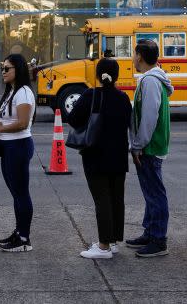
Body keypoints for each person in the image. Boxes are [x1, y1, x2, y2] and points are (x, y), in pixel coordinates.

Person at [66, 58, 131, 259]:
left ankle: (102, 247)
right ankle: (112, 242)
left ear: (98, 75)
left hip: (95, 155)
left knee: (101, 198)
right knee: (116, 198)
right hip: (119, 156)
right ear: (117, 76)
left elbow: (74, 119)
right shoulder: (123, 98)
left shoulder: (90, 95)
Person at [126, 39, 174, 258]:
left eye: (134, 54)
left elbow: (148, 117)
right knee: (151, 192)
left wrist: (138, 145)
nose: (132, 59)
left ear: (140, 56)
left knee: (155, 193)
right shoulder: (151, 79)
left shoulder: (150, 81)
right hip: (150, 145)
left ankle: (158, 239)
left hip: (150, 146)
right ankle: (150, 231)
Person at [0, 53, 36, 252]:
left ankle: (24, 238)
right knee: (16, 193)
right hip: (8, 146)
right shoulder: (12, 91)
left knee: (21, 193)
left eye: (7, 68)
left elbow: (23, 123)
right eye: (2, 68)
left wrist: (1, 128)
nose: (3, 72)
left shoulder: (24, 93)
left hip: (18, 146)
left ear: (18, 69)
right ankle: (19, 232)